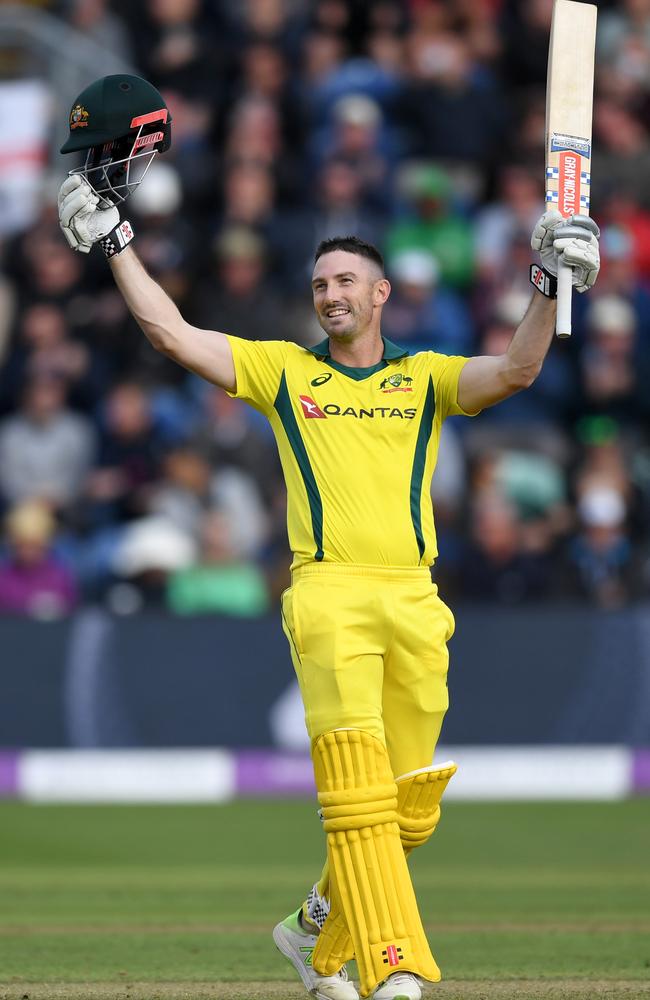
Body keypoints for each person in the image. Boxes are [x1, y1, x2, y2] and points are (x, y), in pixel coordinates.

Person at [56, 77, 600, 1000]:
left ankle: (315, 930)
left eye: (345, 281)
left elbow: (519, 366)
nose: (329, 294)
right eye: (318, 284)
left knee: (407, 808)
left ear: (383, 292)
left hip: (415, 597)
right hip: (329, 592)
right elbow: (171, 332)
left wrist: (552, 280)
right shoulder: (282, 372)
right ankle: (393, 973)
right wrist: (116, 246)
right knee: (354, 791)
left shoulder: (423, 375)